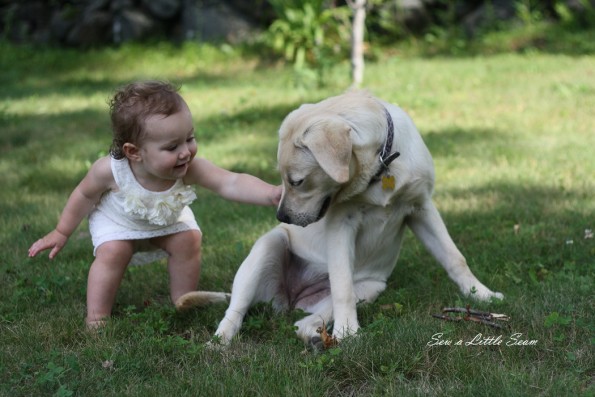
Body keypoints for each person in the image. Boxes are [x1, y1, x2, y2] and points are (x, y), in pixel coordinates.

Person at [28, 81, 282, 329]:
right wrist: (62, 231)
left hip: (168, 222)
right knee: (114, 252)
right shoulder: (110, 171)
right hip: (118, 223)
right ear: (134, 152)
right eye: (172, 147)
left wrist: (271, 193)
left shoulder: (189, 168)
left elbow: (231, 182)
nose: (186, 152)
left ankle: (184, 299)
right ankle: (97, 317)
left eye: (189, 138)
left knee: (188, 239)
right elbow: (84, 195)